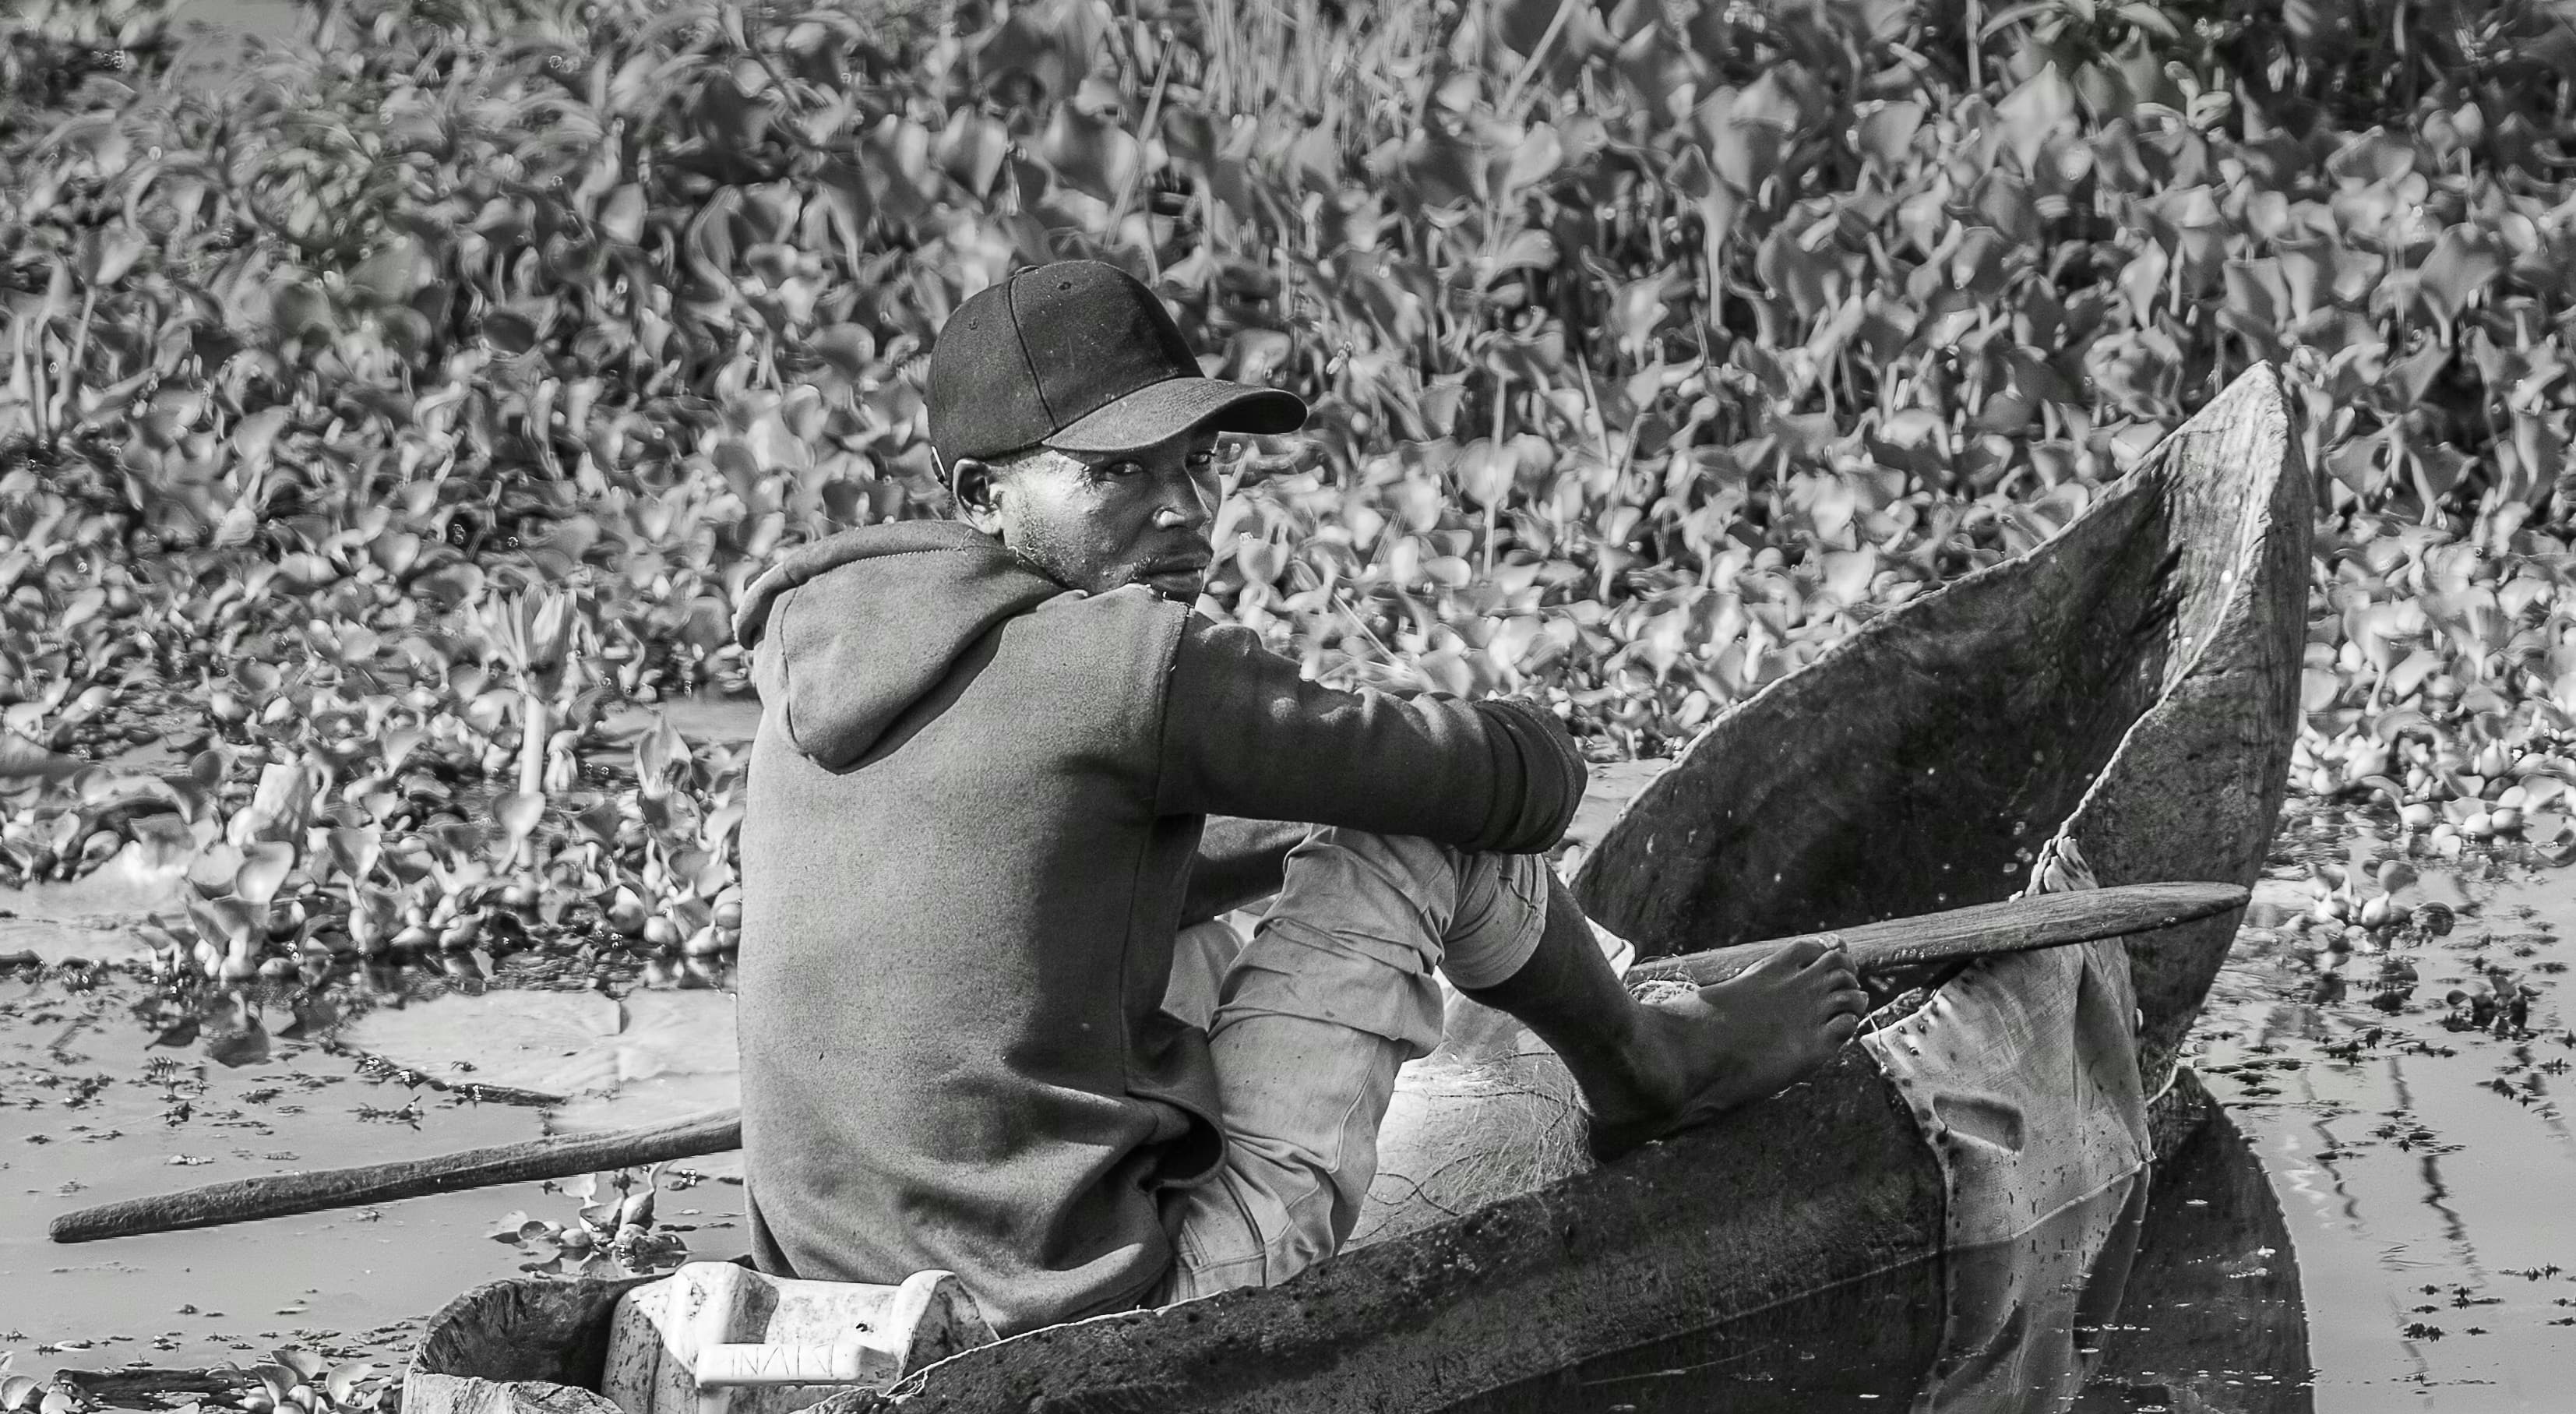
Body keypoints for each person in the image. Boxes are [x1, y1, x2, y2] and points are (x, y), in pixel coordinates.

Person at [735, 258, 1864, 1335]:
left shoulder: (818, 660)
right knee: (1430, 835)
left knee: (1173, 899)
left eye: (1197, 464)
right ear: (984, 493)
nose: (1183, 509)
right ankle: (1649, 1072)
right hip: (1105, 1307)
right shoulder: (1129, 665)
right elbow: (1503, 786)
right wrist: (1531, 742)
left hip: (841, 1306)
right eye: (1118, 472)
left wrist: (1279, 827)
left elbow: (1055, 865)